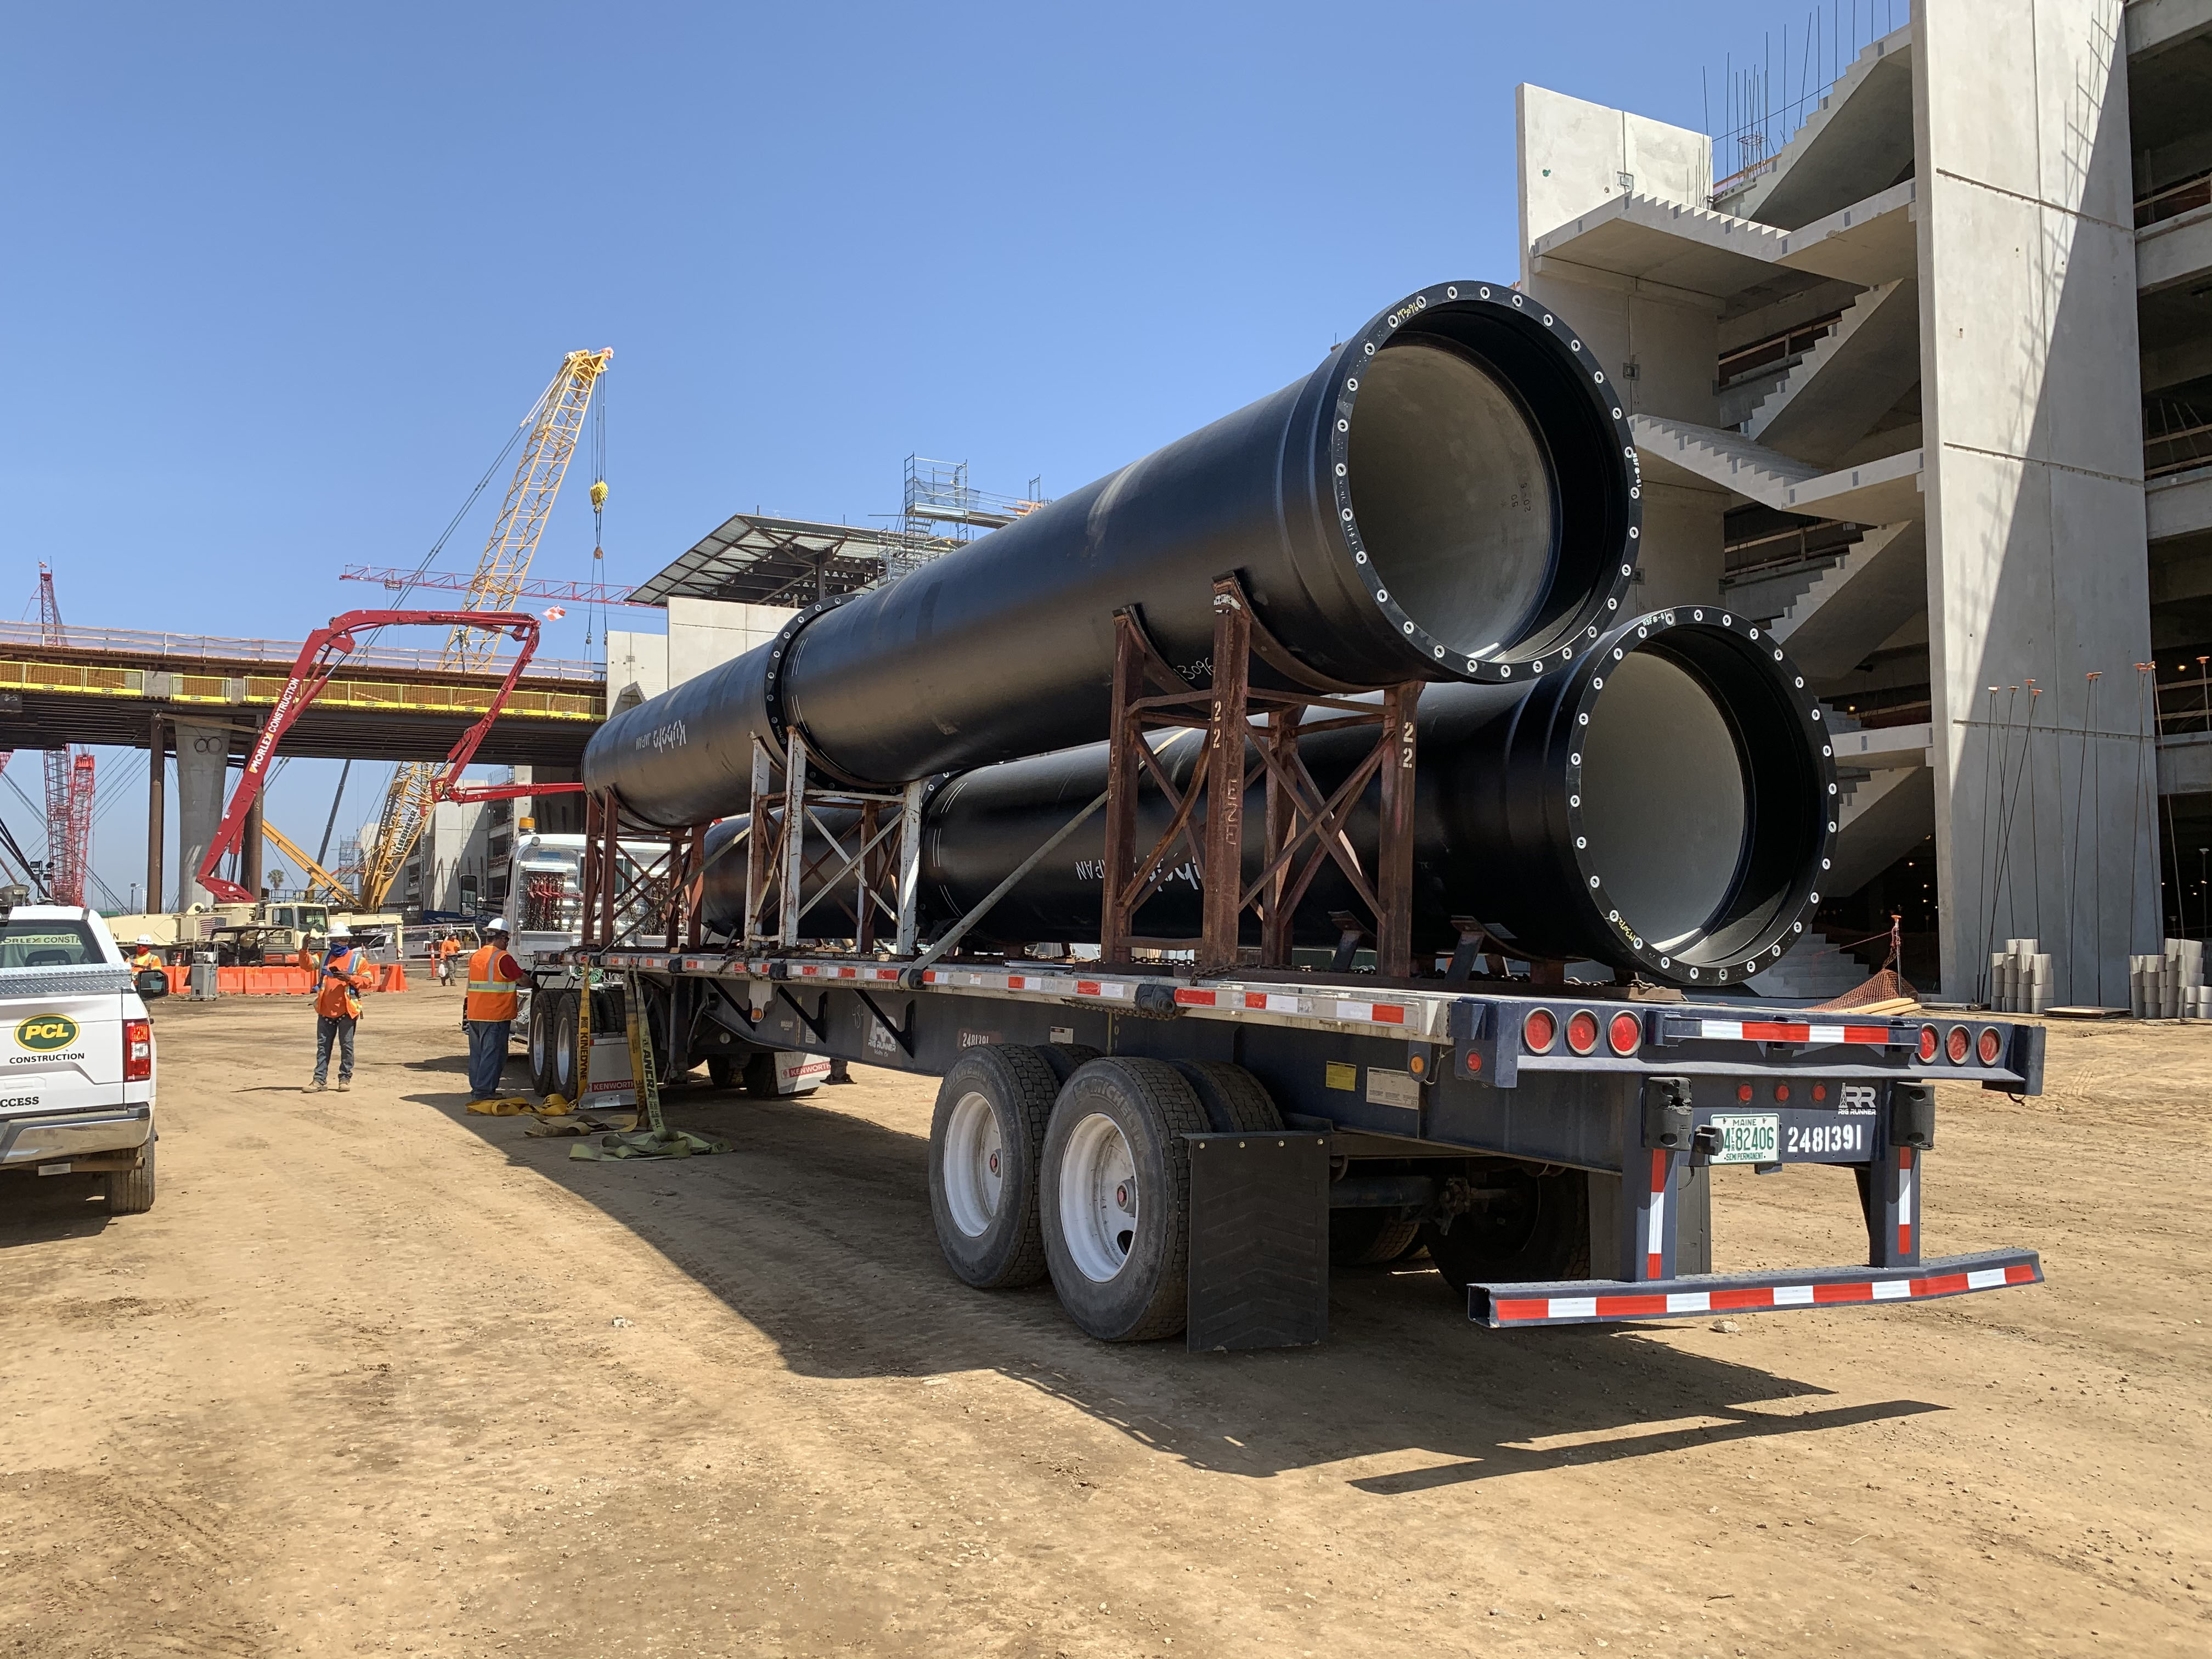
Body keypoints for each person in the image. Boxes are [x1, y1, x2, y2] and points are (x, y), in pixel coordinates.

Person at [308, 924, 376, 1093]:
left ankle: (345, 1078)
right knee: (323, 1047)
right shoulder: (324, 956)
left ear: (346, 941)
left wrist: (350, 978)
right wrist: (304, 950)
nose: (335, 943)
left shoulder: (357, 960)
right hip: (325, 1010)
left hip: (347, 1011)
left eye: (338, 940)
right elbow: (308, 965)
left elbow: (368, 981)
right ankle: (319, 1080)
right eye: (332, 940)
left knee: (347, 1047)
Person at [462, 923, 527, 1103]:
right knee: (494, 1054)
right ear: (500, 938)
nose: (507, 943)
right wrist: (535, 985)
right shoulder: (502, 957)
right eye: (506, 939)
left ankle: (478, 1089)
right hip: (495, 1014)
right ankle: (484, 1092)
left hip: (476, 1013)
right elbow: (521, 978)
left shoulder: (476, 956)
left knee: (478, 1054)